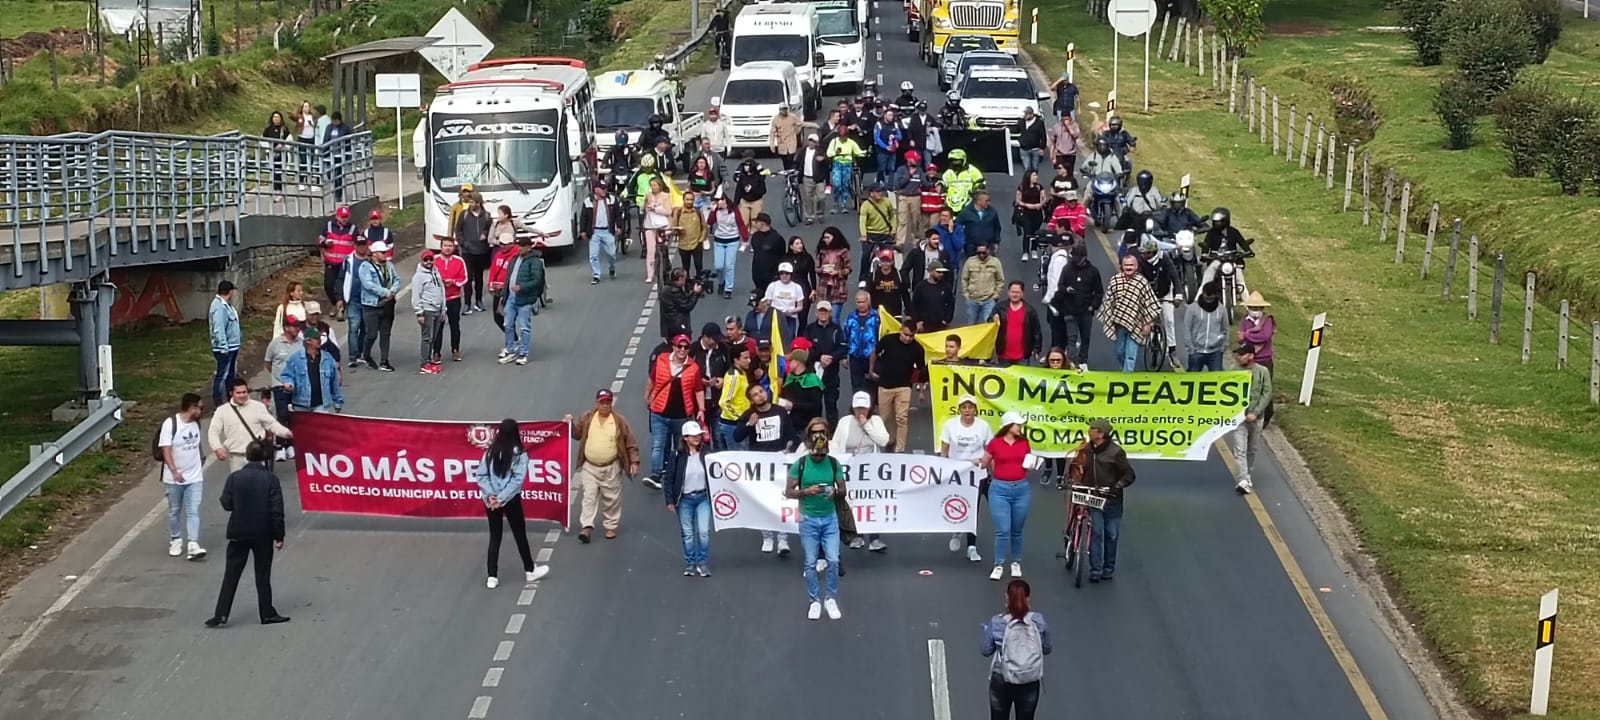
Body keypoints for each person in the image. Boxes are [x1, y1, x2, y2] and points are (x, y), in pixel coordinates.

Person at [204, 441, 289, 628]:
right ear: (266, 457)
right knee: (262, 575)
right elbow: (277, 511)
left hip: (238, 531)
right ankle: (266, 613)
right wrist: (279, 536)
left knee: (231, 574)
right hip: (263, 533)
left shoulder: (235, 478)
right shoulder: (271, 479)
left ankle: (221, 614)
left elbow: (226, 504)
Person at [475, 419, 554, 589]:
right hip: (510, 500)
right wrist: (502, 498)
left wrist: (491, 497)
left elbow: (481, 476)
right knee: (520, 535)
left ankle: (492, 575)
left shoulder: (490, 451)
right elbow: (517, 480)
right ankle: (530, 570)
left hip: (491, 501)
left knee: (495, 537)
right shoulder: (519, 453)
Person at [788, 416, 845, 620]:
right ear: (808, 436)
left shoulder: (833, 462)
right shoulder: (801, 464)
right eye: (814, 432)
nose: (818, 436)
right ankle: (814, 601)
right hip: (808, 520)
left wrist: (834, 492)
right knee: (811, 563)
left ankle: (830, 598)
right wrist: (806, 491)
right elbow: (789, 492)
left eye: (822, 432)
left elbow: (843, 490)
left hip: (830, 519)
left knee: (833, 560)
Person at [565, 389, 641, 543]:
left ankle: (610, 526)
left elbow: (631, 443)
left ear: (611, 403)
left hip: (611, 467)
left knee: (611, 499)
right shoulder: (587, 417)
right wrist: (569, 424)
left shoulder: (619, 421)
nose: (605, 405)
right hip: (590, 467)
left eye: (608, 402)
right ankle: (586, 528)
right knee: (589, 497)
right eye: (602, 402)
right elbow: (577, 434)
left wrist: (634, 462)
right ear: (597, 403)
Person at [735, 383, 797, 555]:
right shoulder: (749, 415)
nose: (760, 395)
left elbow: (791, 435)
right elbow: (737, 436)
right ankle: (767, 536)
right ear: (751, 400)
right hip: (760, 464)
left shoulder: (780, 411)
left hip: (779, 460)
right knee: (763, 500)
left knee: (782, 498)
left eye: (761, 391)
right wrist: (749, 424)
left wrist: (789, 447)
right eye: (755, 394)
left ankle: (783, 539)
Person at [645, 332, 707, 489]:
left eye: (686, 347)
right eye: (679, 346)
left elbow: (698, 389)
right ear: (673, 346)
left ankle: (677, 475)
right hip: (659, 411)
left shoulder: (693, 367)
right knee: (658, 445)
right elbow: (652, 379)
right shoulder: (662, 360)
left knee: (679, 447)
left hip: (681, 415)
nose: (682, 349)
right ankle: (656, 474)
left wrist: (701, 408)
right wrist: (647, 396)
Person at [982, 579, 1052, 720]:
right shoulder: (1038, 620)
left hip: (1001, 679)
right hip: (1029, 679)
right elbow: (1047, 648)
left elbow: (985, 650)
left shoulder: (997, 622)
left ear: (1007, 598)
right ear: (1028, 598)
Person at [1076, 418, 1135, 582]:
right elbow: (1081, 468)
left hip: (1112, 500)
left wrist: (1118, 485)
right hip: (1094, 498)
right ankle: (1095, 569)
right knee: (1096, 533)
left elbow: (1129, 474)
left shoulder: (1116, 452)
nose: (1089, 431)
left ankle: (1108, 568)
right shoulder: (1087, 449)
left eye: (1092, 429)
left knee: (1112, 535)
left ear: (1101, 434)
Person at [832, 391, 889, 552]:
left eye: (863, 408)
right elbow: (836, 444)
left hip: (871, 471)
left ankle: (874, 539)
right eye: (857, 408)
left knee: (871, 502)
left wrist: (866, 425)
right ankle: (855, 535)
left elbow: (883, 440)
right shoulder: (845, 422)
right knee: (852, 502)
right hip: (850, 470)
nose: (860, 412)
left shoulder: (875, 421)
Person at [940, 394, 992, 562]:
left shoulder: (983, 426)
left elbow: (990, 449)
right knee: (956, 505)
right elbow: (944, 450)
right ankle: (956, 531)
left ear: (975, 410)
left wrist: (988, 466)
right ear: (960, 409)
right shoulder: (950, 425)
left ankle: (971, 546)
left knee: (973, 509)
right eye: (964, 407)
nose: (967, 410)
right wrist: (944, 469)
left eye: (970, 407)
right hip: (957, 473)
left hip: (977, 473)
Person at [980, 411, 1032, 581]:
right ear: (1009, 426)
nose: (1020, 427)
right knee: (1003, 530)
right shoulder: (995, 443)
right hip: (999, 489)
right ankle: (999, 564)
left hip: (1021, 489)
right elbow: (985, 462)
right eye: (1018, 424)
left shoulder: (1024, 442)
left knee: (1017, 530)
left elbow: (1028, 461)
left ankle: (1016, 562)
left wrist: (1032, 464)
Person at [159, 393, 208, 560]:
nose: (202, 411)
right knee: (174, 510)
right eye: (200, 408)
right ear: (191, 407)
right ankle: (176, 538)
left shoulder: (196, 424)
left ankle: (193, 543)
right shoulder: (171, 424)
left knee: (193, 510)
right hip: (174, 477)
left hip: (194, 476)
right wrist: (174, 471)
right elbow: (166, 449)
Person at [664, 420, 714, 576]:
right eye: (693, 436)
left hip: (703, 497)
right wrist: (670, 500)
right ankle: (691, 563)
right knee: (688, 533)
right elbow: (669, 478)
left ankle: (702, 563)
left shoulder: (707, 453)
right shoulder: (677, 455)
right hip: (684, 499)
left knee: (704, 531)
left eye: (698, 435)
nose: (697, 438)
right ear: (685, 437)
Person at [209, 379, 291, 473]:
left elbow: (271, 424)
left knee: (260, 485)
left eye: (244, 392)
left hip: (257, 456)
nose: (242, 395)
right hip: (236, 457)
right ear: (231, 393)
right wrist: (217, 448)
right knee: (239, 486)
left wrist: (285, 432)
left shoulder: (258, 407)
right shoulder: (222, 411)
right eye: (238, 393)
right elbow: (213, 431)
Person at [1098, 255, 1161, 372]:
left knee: (1131, 355)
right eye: (1126, 265)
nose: (1129, 267)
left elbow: (1150, 303)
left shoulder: (1141, 282)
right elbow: (1109, 302)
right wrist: (1110, 318)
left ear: (1136, 266)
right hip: (1119, 324)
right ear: (1121, 266)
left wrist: (1148, 323)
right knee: (1119, 351)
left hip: (1137, 324)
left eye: (1131, 265)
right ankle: (1125, 371)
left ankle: (1127, 376)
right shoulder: (1115, 281)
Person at [870, 320, 925, 451]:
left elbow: (921, 371)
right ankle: (891, 439)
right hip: (884, 385)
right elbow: (874, 352)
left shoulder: (917, 349)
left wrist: (922, 391)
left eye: (911, 336)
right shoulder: (888, 340)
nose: (907, 338)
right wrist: (871, 370)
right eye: (905, 334)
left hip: (904, 386)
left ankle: (900, 448)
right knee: (885, 417)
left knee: (901, 418)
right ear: (901, 330)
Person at [1047, 244, 1102, 366]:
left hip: (1086, 310)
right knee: (1071, 338)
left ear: (1085, 258)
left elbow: (1099, 291)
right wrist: (1066, 290)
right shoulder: (1067, 269)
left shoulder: (1093, 271)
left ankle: (1083, 361)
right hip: (1070, 310)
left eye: (1079, 258)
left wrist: (1093, 306)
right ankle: (1071, 361)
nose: (1076, 261)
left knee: (1085, 337)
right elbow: (1060, 286)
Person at [1232, 343, 1273, 495]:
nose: (1238, 357)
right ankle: (1242, 479)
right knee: (1239, 449)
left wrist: (1256, 412)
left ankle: (1247, 474)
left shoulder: (1263, 372)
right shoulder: (1234, 371)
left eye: (1242, 354)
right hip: (1239, 418)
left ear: (1250, 356)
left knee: (1252, 448)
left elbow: (1267, 393)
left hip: (1257, 418)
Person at [499, 237, 546, 366]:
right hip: (511, 297)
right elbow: (508, 279)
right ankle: (510, 350)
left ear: (529, 247)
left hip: (525, 298)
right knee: (507, 325)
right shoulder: (514, 259)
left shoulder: (534, 261)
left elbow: (537, 280)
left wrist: (522, 287)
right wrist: (504, 296)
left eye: (523, 246)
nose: (520, 248)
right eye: (518, 245)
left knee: (524, 326)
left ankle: (524, 353)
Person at [357, 241, 401, 372]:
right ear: (374, 254)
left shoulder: (389, 265)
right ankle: (366, 354)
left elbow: (396, 279)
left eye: (386, 252)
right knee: (371, 333)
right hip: (371, 305)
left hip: (388, 304)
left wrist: (393, 291)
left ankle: (384, 360)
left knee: (385, 333)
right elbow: (368, 285)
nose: (385, 255)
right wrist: (386, 292)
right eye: (382, 252)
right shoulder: (365, 266)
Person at [801, 304, 847, 424]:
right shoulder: (809, 329)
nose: (823, 313)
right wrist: (820, 357)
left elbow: (842, 347)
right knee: (814, 405)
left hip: (831, 374)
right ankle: (814, 431)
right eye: (820, 311)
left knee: (831, 404)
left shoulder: (836, 329)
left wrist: (831, 357)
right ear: (816, 313)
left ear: (830, 313)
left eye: (825, 311)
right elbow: (806, 348)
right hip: (814, 374)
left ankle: (832, 433)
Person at [279, 329, 344, 414]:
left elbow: (334, 381)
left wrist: (338, 401)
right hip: (301, 404)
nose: (320, 341)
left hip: (322, 404)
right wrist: (289, 383)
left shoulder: (328, 358)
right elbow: (286, 375)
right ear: (308, 341)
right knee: (303, 427)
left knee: (320, 427)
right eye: (316, 339)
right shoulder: (295, 358)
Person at [715, 344, 758, 450]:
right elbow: (724, 402)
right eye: (745, 358)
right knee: (737, 460)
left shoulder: (742, 373)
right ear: (736, 360)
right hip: (732, 425)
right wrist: (739, 417)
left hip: (738, 423)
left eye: (749, 357)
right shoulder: (733, 376)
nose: (749, 361)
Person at [456, 196, 493, 314]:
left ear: (479, 203)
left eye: (472, 202)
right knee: (468, 278)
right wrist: (463, 243)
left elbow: (490, 229)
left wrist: (485, 234)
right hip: (467, 251)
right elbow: (458, 230)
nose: (470, 204)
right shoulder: (464, 215)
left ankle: (478, 301)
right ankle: (467, 303)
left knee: (479, 278)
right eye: (469, 202)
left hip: (481, 251)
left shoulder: (487, 216)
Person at [991, 282, 1043, 367]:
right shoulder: (999, 308)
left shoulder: (1030, 310)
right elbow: (989, 325)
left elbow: (1036, 331)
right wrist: (993, 319)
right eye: (1012, 292)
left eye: (1017, 292)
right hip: (1003, 355)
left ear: (1022, 293)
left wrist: (1036, 348)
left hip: (1022, 356)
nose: (1014, 294)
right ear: (1008, 292)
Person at [707, 195, 748, 299]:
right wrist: (712, 211)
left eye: (719, 201)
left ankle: (728, 289)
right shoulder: (716, 211)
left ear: (724, 200)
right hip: (719, 240)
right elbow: (710, 222)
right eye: (715, 201)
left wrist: (745, 239)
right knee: (719, 266)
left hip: (732, 240)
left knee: (729, 266)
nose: (717, 203)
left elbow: (741, 224)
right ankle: (721, 281)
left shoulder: (734, 211)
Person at [318, 207, 357, 316]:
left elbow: (357, 244)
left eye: (346, 217)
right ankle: (335, 303)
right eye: (342, 217)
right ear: (337, 216)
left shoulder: (353, 229)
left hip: (344, 262)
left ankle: (341, 306)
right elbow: (320, 239)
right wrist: (325, 243)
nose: (345, 219)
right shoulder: (329, 226)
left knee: (342, 285)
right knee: (328, 284)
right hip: (330, 261)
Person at [208, 280, 241, 408]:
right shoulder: (219, 307)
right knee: (222, 374)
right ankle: (217, 399)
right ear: (230, 292)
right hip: (225, 349)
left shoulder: (226, 305)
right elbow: (219, 328)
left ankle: (230, 396)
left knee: (231, 374)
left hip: (233, 346)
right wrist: (223, 346)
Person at [435, 237, 469, 361]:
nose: (448, 248)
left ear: (454, 248)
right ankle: (436, 352)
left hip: (454, 298)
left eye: (450, 246)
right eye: (445, 245)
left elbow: (464, 278)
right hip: (438, 299)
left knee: (454, 325)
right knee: (438, 327)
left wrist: (454, 282)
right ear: (441, 247)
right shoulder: (434, 260)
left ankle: (455, 349)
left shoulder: (459, 261)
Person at [580, 184, 621, 285]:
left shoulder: (612, 200)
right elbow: (583, 217)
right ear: (595, 190)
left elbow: (617, 214)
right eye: (602, 189)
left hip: (608, 231)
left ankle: (612, 267)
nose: (604, 190)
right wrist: (583, 231)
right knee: (593, 255)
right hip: (595, 232)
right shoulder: (588, 201)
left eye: (605, 188)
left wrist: (619, 226)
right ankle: (596, 275)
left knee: (612, 253)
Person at [413, 250, 446, 375]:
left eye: (430, 259)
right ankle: (424, 363)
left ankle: (429, 359)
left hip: (438, 310)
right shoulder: (419, 276)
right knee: (426, 338)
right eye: (425, 260)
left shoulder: (436, 272)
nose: (428, 262)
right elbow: (416, 295)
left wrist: (443, 309)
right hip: (427, 310)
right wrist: (419, 312)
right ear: (422, 261)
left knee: (433, 337)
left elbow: (441, 290)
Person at [842, 291, 880, 398]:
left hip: (872, 356)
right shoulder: (851, 318)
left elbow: (881, 336)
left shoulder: (876, 317)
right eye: (859, 302)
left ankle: (872, 409)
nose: (861, 304)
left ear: (868, 302)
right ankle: (857, 408)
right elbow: (845, 336)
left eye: (863, 302)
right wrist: (845, 356)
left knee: (872, 385)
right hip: (855, 356)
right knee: (857, 386)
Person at [1185, 282, 1229, 371]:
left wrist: (1223, 347)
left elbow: (1225, 329)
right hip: (1196, 352)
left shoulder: (1222, 310)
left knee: (1217, 379)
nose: (1208, 300)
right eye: (1206, 298)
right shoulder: (1192, 308)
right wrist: (1191, 348)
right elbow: (1187, 328)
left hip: (1215, 353)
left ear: (1215, 296)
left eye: (1211, 298)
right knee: (1193, 380)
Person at [339, 237, 371, 361]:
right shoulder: (348, 260)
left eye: (363, 244)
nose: (361, 247)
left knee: (365, 328)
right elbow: (341, 279)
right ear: (355, 245)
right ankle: (353, 356)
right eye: (359, 245)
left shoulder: (371, 260)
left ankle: (361, 353)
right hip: (352, 299)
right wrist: (340, 298)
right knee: (354, 327)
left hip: (367, 300)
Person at [893, 150, 929, 247]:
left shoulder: (920, 170)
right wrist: (909, 175)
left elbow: (925, 184)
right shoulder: (901, 170)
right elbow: (897, 184)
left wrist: (936, 182)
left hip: (916, 198)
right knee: (902, 221)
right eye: (914, 159)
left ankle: (916, 241)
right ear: (908, 159)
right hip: (903, 197)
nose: (916, 161)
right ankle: (900, 242)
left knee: (915, 220)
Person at [962, 242, 1004, 325]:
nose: (981, 255)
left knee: (989, 325)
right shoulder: (970, 262)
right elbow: (964, 279)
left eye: (983, 253)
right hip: (973, 299)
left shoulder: (995, 262)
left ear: (988, 250)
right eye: (979, 253)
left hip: (989, 299)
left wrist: (995, 296)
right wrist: (966, 295)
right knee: (971, 325)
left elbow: (1000, 280)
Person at [815, 228, 854, 318]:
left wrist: (838, 272)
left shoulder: (843, 252)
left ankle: (837, 332)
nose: (825, 240)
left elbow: (848, 269)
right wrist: (822, 269)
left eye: (828, 237)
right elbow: (816, 268)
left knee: (834, 318)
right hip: (824, 289)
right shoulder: (822, 252)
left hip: (838, 288)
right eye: (824, 238)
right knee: (823, 317)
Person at [827, 126, 867, 211]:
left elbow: (858, 152)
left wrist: (865, 152)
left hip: (847, 164)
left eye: (844, 136)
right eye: (841, 136)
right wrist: (835, 153)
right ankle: (836, 202)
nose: (843, 138)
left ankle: (843, 204)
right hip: (837, 164)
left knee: (845, 184)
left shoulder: (851, 142)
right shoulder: (834, 142)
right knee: (837, 184)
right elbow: (829, 153)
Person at [903, 228, 954, 294]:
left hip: (938, 290)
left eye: (938, 239)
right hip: (920, 290)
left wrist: (948, 289)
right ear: (927, 240)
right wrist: (907, 284)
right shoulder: (916, 253)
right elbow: (904, 269)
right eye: (934, 239)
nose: (936, 241)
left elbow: (950, 273)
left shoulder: (944, 254)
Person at [486, 232, 520, 331]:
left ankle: (512, 342)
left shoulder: (516, 255)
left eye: (505, 244)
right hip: (498, 290)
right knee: (497, 317)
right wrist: (490, 284)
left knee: (509, 317)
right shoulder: (498, 255)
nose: (503, 246)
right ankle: (514, 339)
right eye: (501, 244)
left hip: (510, 291)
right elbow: (493, 271)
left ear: (511, 243)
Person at [764, 262, 806, 341]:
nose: (784, 275)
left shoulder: (797, 287)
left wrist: (790, 311)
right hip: (775, 317)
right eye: (781, 273)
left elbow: (800, 306)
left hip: (790, 317)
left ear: (791, 274)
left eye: (787, 273)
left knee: (789, 339)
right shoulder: (773, 286)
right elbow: (767, 303)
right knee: (775, 339)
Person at [909, 262, 955, 333]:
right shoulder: (921, 286)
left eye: (942, 272)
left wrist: (946, 320)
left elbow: (951, 304)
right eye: (938, 272)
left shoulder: (946, 287)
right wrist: (917, 321)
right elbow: (914, 305)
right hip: (924, 325)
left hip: (940, 325)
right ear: (931, 271)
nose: (941, 274)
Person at [748, 213, 786, 295]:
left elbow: (782, 256)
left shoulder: (776, 238)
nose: (754, 224)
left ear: (762, 223)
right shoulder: (755, 236)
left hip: (771, 275)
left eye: (756, 222)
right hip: (757, 274)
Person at [659, 269, 702, 341]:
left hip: (670, 326)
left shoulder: (668, 289)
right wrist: (695, 294)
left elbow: (683, 299)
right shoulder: (674, 291)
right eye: (685, 278)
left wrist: (692, 293)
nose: (686, 281)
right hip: (677, 327)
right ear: (680, 279)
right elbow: (687, 306)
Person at [796, 133, 830, 224]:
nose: (811, 143)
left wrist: (823, 160)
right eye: (810, 141)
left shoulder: (820, 151)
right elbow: (797, 161)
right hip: (807, 178)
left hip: (818, 178)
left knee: (821, 197)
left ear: (816, 143)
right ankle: (809, 216)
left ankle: (820, 213)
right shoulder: (803, 151)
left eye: (813, 141)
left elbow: (827, 162)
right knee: (808, 199)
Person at [957, 192, 1003, 259]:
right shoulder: (966, 212)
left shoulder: (992, 211)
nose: (988, 203)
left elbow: (997, 227)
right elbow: (958, 226)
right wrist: (962, 241)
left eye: (989, 200)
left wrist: (996, 242)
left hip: (989, 246)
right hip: (971, 247)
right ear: (978, 201)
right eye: (986, 201)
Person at [1014, 170, 1046, 260]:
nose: (1036, 177)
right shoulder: (1022, 187)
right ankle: (1025, 252)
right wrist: (1026, 205)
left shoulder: (1039, 187)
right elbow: (1017, 200)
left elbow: (1044, 198)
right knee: (1027, 232)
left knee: (1035, 232)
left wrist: (1040, 204)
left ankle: (1034, 249)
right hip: (1025, 213)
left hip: (1037, 213)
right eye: (1034, 175)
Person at [675, 189, 708, 275]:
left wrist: (701, 240)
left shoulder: (698, 212)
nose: (689, 202)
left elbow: (704, 227)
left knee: (699, 267)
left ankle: (699, 285)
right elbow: (673, 227)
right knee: (685, 268)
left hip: (697, 244)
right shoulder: (678, 212)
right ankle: (686, 286)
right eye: (687, 199)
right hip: (683, 245)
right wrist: (677, 230)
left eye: (691, 199)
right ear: (683, 200)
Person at [942, 149, 983, 214]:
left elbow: (980, 180)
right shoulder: (949, 172)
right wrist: (941, 185)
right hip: (951, 199)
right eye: (952, 160)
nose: (954, 163)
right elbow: (943, 181)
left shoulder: (972, 170)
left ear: (963, 160)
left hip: (967, 199)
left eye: (956, 160)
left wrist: (978, 187)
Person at [769, 104, 806, 171]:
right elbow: (772, 132)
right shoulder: (776, 119)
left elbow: (801, 123)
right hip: (782, 144)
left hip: (791, 143)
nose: (784, 111)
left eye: (785, 109)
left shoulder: (792, 117)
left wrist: (814, 125)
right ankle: (787, 175)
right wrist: (772, 144)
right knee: (785, 162)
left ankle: (791, 175)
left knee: (790, 160)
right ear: (780, 110)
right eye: (783, 109)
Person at [733, 153, 769, 220]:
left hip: (756, 202)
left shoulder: (759, 176)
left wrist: (752, 190)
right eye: (745, 165)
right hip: (745, 201)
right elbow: (738, 190)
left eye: (747, 165)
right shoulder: (742, 176)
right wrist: (735, 204)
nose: (745, 167)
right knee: (743, 221)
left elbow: (763, 190)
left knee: (755, 222)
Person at [874, 108, 903, 182]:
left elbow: (900, 136)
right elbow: (876, 138)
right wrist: (885, 147)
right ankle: (879, 182)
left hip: (893, 150)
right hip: (882, 150)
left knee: (892, 168)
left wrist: (894, 136)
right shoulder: (879, 124)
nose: (891, 117)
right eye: (889, 115)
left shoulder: (895, 124)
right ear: (885, 116)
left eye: (892, 115)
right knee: (881, 168)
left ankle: (890, 185)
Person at [1014, 107, 1046, 174]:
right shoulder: (1021, 122)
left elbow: (1043, 136)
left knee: (1035, 168)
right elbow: (1015, 130)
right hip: (1024, 149)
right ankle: (1027, 182)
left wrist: (1042, 148)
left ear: (1031, 114)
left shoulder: (1039, 123)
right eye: (1024, 114)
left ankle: (1034, 181)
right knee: (1027, 168)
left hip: (1035, 149)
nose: (1025, 116)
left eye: (1026, 114)